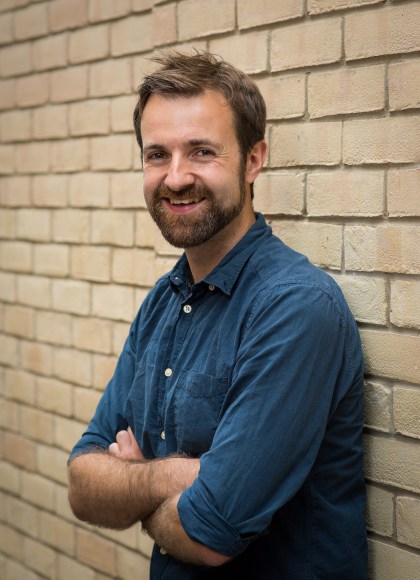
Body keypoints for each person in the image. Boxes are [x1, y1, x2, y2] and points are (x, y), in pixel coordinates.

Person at [68, 51, 368, 579]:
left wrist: (134, 480)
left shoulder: (295, 307)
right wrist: (174, 478)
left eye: (201, 151)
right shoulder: (165, 300)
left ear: (254, 160)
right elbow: (82, 484)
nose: (176, 177)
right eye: (157, 154)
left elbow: (210, 534)